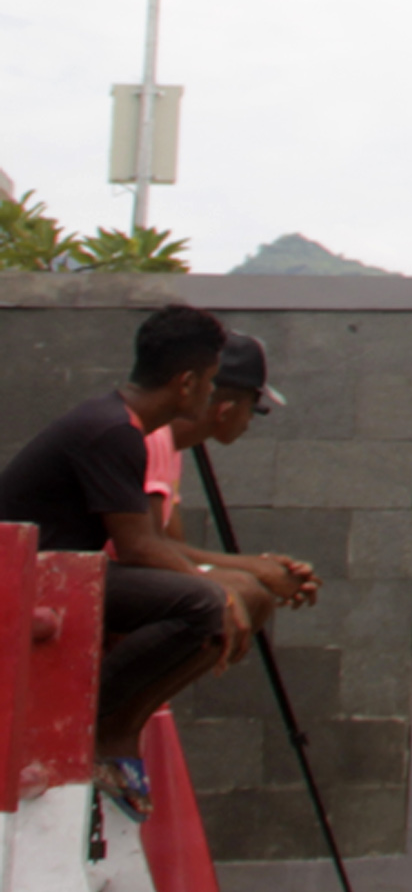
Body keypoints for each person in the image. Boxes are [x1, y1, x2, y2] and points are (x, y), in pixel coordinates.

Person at [0, 305, 256, 808]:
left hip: (61, 574)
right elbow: (139, 547)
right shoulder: (113, 431)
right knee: (201, 605)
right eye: (209, 382)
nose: (210, 396)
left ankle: (117, 725)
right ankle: (92, 719)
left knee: (203, 605)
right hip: (33, 578)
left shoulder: (120, 427)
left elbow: (144, 545)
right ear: (186, 383)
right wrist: (221, 590)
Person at [154, 335, 318, 624]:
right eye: (253, 408)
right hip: (112, 574)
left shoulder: (172, 450)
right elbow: (153, 549)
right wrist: (252, 569)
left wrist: (261, 568)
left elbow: (173, 545)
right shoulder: (151, 439)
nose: (249, 423)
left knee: (250, 595)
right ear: (225, 409)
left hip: (141, 573)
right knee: (243, 594)